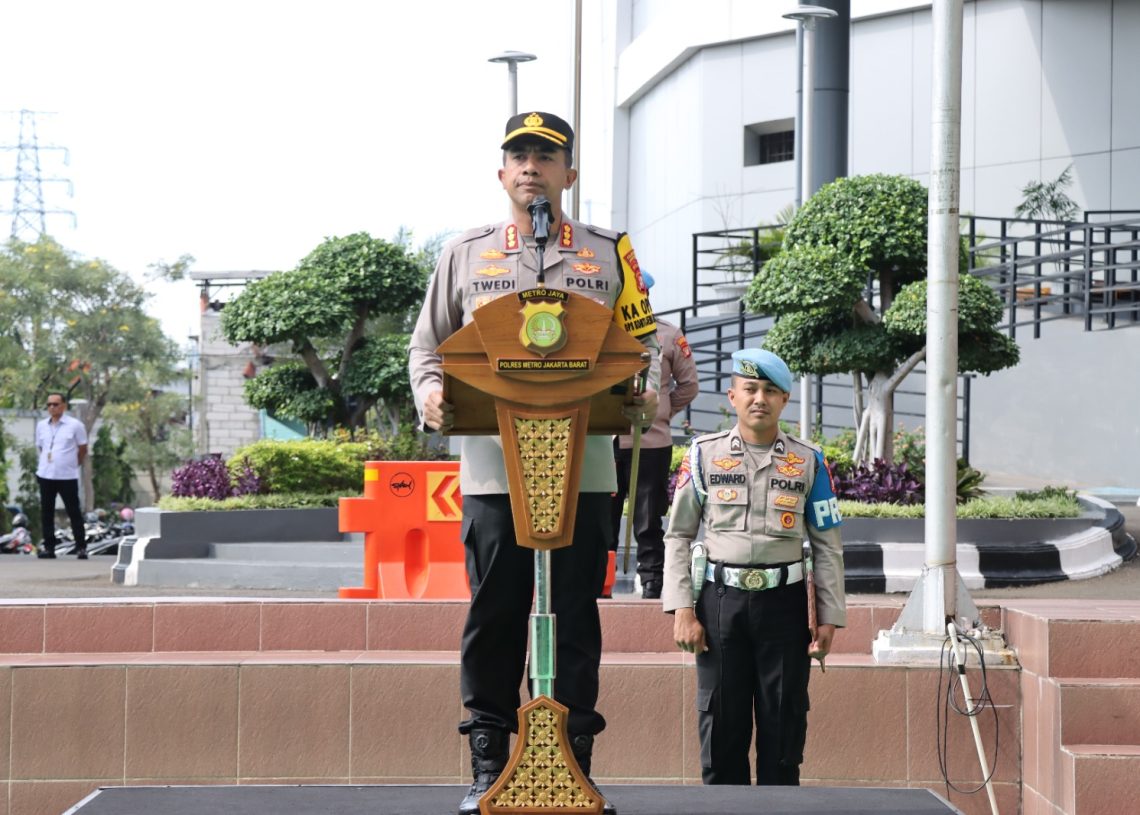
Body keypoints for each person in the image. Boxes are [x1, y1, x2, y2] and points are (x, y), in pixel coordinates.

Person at [408, 110, 660, 815]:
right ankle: (489, 764)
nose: (531, 168)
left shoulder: (611, 253)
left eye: (545, 157)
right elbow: (427, 346)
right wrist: (430, 395)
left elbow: (644, 344)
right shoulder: (465, 254)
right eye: (519, 156)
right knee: (495, 611)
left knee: (575, 614)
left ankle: (573, 762)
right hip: (495, 467)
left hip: (584, 467)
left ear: (568, 174)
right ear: (501, 174)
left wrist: (645, 395)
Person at [662, 348, 845, 785]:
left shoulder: (809, 461)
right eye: (750, 389)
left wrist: (829, 617)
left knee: (784, 725)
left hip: (785, 607)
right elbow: (678, 536)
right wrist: (682, 609)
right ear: (733, 397)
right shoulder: (702, 455)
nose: (759, 398)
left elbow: (828, 546)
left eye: (770, 391)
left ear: (784, 400)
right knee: (721, 724)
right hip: (719, 604)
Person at [610, 272, 699, 599]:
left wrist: (660, 412)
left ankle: (651, 582)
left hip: (651, 442)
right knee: (602, 519)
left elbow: (688, 385)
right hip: (606, 441)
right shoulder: (603, 330)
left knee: (648, 520)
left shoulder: (668, 334)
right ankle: (599, 583)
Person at [34, 392, 88, 559]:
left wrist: (73, 463)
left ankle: (81, 547)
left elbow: (83, 448)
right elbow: (41, 447)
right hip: (46, 474)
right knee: (47, 512)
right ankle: (49, 548)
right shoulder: (41, 425)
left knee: (74, 512)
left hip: (67, 476)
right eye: (49, 404)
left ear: (64, 406)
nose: (52, 407)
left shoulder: (75, 425)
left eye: (55, 404)